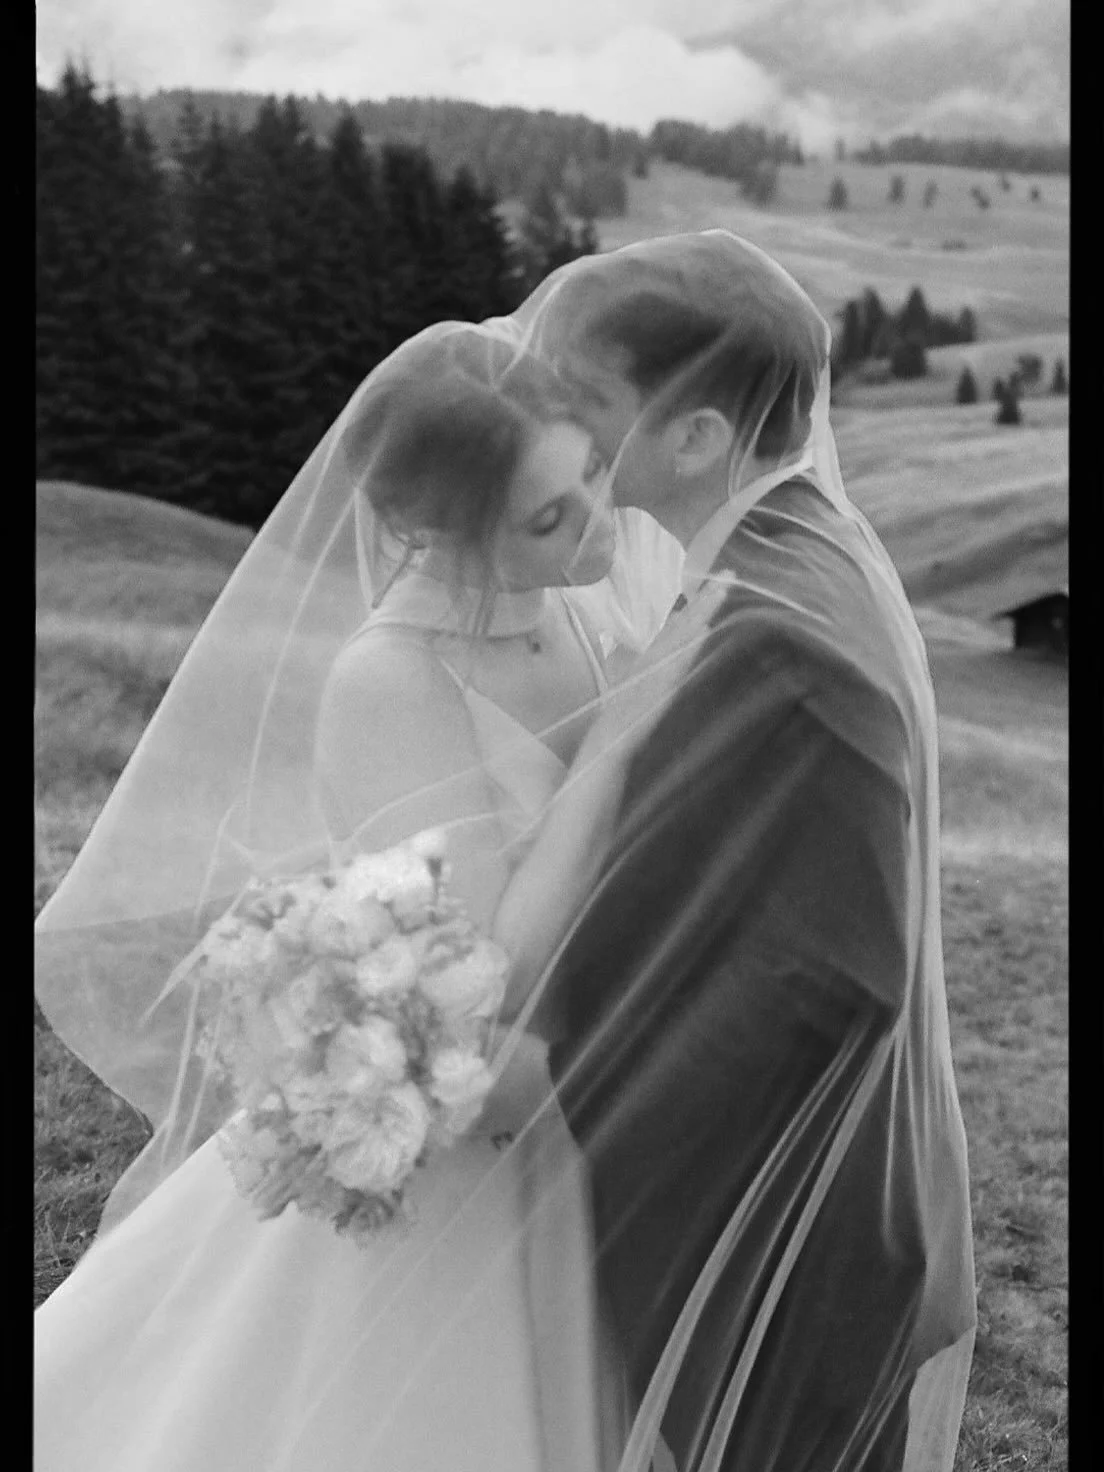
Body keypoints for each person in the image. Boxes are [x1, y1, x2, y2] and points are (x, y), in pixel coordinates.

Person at [33, 323, 686, 1472]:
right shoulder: (388, 680)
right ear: (438, 529)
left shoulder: (577, 604)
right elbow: (490, 970)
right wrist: (624, 733)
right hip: (480, 1140)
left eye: (591, 470)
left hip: (593, 1082)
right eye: (546, 516)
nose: (597, 522)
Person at [513, 231, 977, 1471]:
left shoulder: (772, 631)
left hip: (787, 1234)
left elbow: (834, 964)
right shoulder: (804, 548)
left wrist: (543, 1069)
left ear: (699, 436)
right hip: (828, 1196)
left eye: (592, 400)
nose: (555, 427)